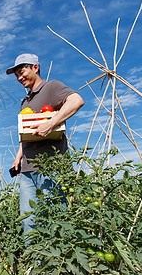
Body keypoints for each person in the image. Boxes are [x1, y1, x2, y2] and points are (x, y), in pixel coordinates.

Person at [6, 53, 84, 235]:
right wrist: (18, 157)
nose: (19, 77)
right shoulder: (25, 101)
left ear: (35, 67)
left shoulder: (52, 87)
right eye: (16, 75)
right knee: (28, 221)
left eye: (22, 71)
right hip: (27, 170)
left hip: (51, 166)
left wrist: (51, 123)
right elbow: (26, 134)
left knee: (55, 218)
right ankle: (36, 262)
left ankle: (57, 262)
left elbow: (76, 101)